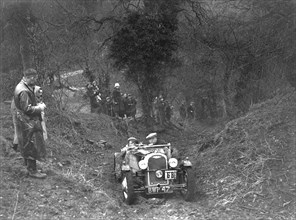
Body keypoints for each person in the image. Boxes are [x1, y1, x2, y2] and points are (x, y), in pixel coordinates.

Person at [14, 68, 47, 179]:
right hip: (28, 121)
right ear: (27, 77)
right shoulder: (24, 91)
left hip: (23, 120)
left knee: (26, 143)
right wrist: (40, 108)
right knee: (32, 144)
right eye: (32, 78)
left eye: (35, 77)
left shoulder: (22, 86)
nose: (34, 80)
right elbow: (27, 109)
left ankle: (28, 166)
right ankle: (32, 171)